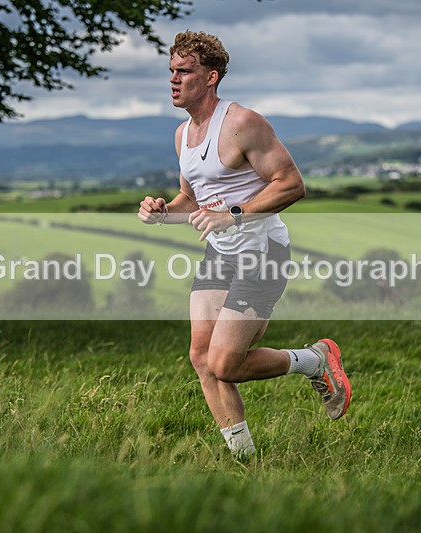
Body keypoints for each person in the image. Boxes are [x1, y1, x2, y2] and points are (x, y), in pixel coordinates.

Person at [138, 31, 351, 458]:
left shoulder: (241, 123)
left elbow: (291, 184)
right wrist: (163, 211)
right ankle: (245, 461)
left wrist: (232, 215)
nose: (173, 80)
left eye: (184, 72)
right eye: (171, 72)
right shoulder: (183, 135)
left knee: (226, 364)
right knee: (202, 357)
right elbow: (191, 200)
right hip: (222, 254)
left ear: (211, 77)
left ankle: (314, 360)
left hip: (262, 252)